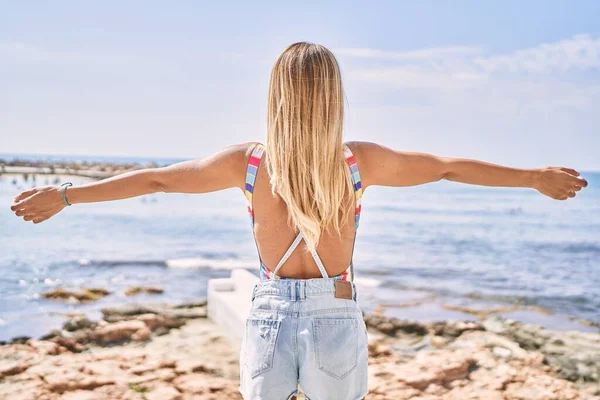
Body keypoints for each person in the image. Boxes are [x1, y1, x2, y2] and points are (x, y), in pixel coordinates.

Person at [10, 42, 588, 400]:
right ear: (334, 98)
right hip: (335, 311)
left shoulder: (250, 162)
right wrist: (532, 176)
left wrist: (67, 195)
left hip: (269, 313)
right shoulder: (358, 162)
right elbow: (445, 169)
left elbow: (158, 179)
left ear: (276, 97)